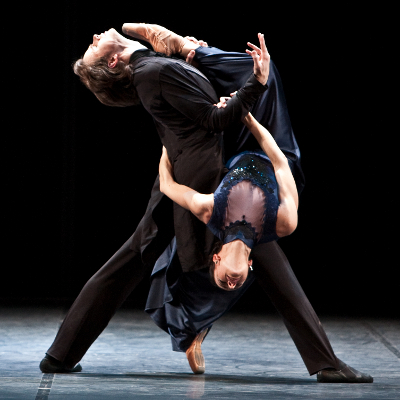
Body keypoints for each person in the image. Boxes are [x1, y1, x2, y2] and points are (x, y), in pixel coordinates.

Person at [39, 24, 372, 383]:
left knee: (134, 257)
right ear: (114, 61)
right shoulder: (153, 71)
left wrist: (188, 57)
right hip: (206, 178)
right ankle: (326, 362)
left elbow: (197, 106)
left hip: (190, 170)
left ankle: (61, 354)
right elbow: (215, 119)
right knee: (265, 259)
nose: (94, 38)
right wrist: (256, 83)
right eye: (93, 47)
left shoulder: (153, 66)